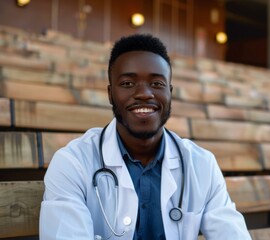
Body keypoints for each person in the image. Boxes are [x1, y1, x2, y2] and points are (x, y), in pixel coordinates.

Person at [39, 34, 251, 240]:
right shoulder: (72, 163)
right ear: (110, 94)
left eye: (157, 84)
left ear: (170, 92)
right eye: (128, 84)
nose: (144, 94)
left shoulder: (202, 164)